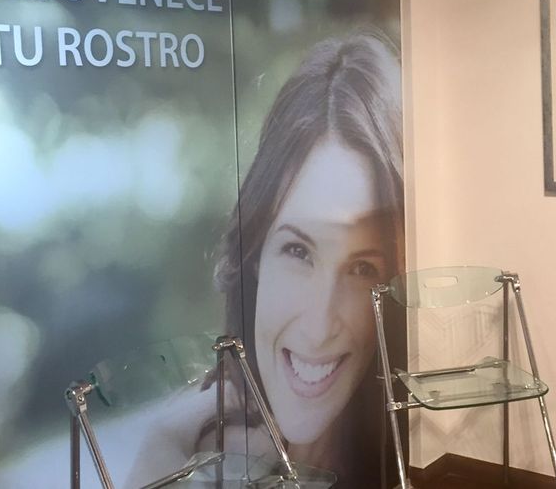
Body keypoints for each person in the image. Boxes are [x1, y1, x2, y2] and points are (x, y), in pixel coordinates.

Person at [124, 32, 404, 489]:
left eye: (362, 269)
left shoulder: (414, 443)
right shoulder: (184, 453)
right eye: (298, 251)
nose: (319, 327)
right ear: (255, 252)